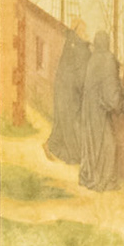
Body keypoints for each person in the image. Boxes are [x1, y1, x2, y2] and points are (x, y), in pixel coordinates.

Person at [75, 29, 124, 191]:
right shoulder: (107, 60)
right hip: (98, 111)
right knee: (109, 145)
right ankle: (104, 181)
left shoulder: (94, 58)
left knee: (92, 143)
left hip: (89, 108)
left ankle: (90, 175)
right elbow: (112, 95)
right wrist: (121, 82)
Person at [44, 21, 89, 166]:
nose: (84, 32)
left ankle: (51, 145)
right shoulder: (73, 45)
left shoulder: (72, 43)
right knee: (65, 120)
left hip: (67, 89)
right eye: (82, 30)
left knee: (63, 120)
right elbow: (77, 68)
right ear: (77, 31)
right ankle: (62, 149)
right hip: (66, 90)